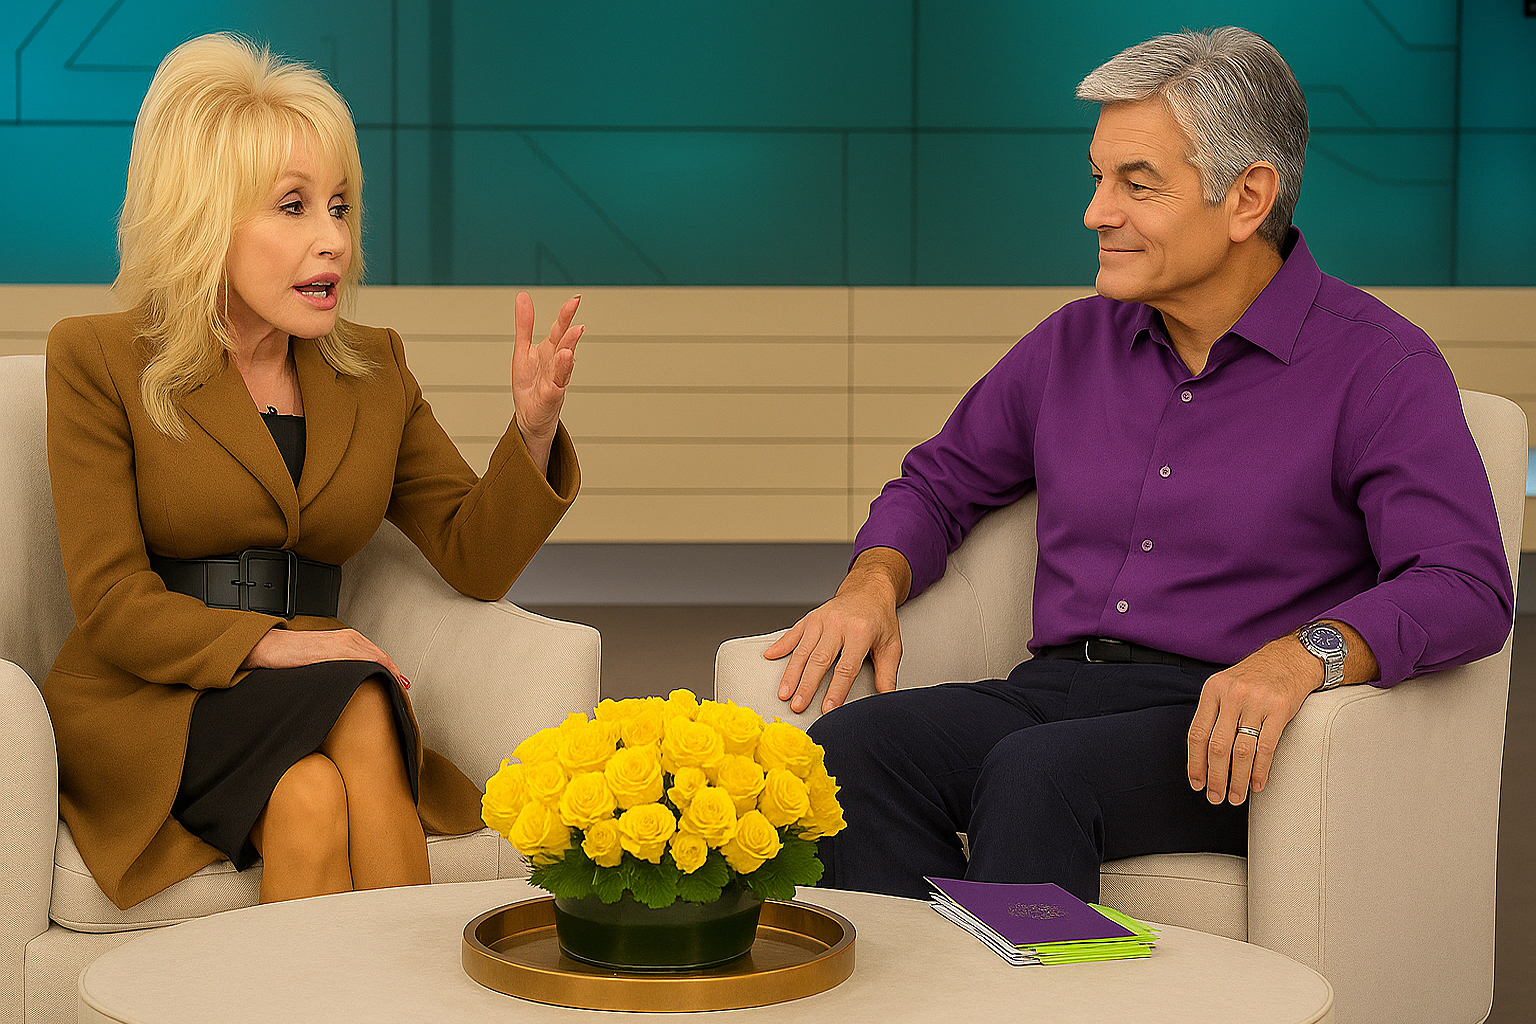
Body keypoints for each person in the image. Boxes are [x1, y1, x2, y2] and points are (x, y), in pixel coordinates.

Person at [766, 26, 1514, 903]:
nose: (1096, 212)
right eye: (1096, 178)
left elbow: (1465, 585)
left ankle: (1035, 980)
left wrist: (1305, 655)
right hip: (1055, 690)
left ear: (1247, 198)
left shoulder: (1380, 367)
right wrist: (872, 582)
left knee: (1039, 772)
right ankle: (937, 976)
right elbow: (938, 483)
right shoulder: (1070, 344)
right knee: (853, 752)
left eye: (1137, 184)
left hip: (1222, 724)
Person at [43, 33, 584, 910]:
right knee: (364, 700)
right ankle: (419, 977)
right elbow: (110, 603)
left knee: (310, 798)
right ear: (204, 217)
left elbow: (474, 556)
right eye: (293, 207)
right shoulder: (98, 358)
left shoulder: (374, 368)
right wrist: (283, 645)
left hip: (310, 690)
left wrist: (530, 434)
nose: (333, 239)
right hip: (154, 697)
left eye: (339, 206)